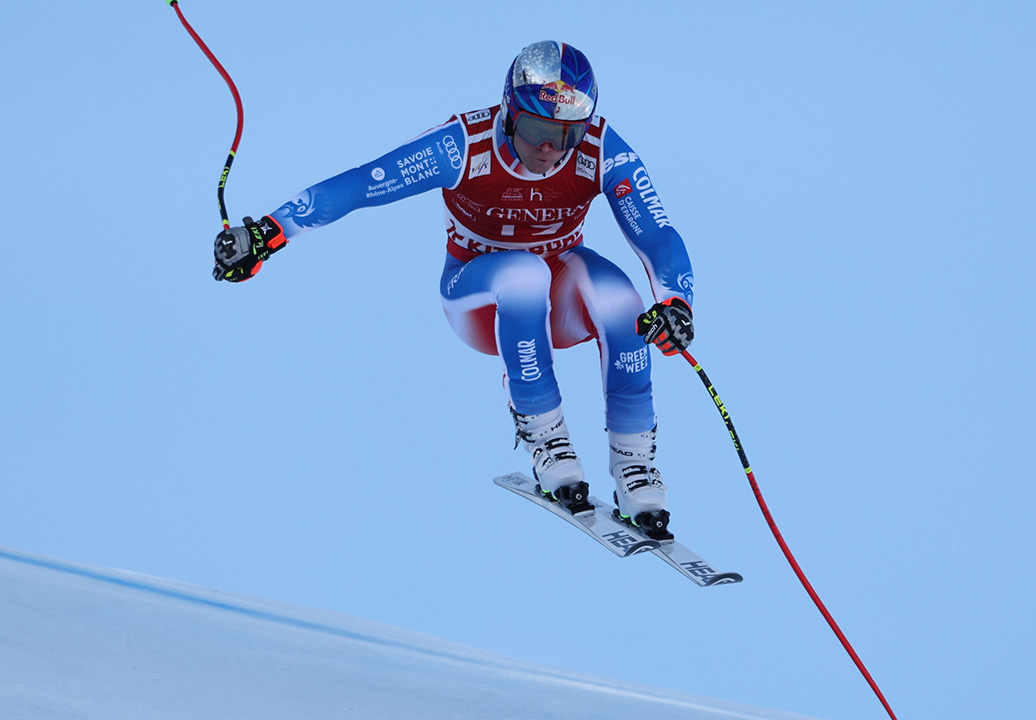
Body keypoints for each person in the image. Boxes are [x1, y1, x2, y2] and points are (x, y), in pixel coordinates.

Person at [212, 41, 695, 539]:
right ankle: (547, 438)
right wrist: (268, 232)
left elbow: (656, 233)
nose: (549, 148)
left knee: (625, 301)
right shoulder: (464, 145)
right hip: (481, 295)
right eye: (536, 129)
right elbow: (363, 184)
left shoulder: (600, 148)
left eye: (565, 135)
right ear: (509, 114)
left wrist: (678, 302)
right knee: (525, 274)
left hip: (559, 291)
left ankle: (635, 466)